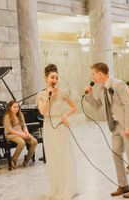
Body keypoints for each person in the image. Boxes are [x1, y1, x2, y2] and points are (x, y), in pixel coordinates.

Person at [84, 62, 129, 198]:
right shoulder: (102, 90)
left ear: (100, 74)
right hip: (115, 126)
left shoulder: (119, 85)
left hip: (128, 123)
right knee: (116, 154)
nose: (92, 76)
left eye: (93, 74)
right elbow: (97, 106)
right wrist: (88, 95)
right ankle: (123, 185)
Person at [37, 63, 78, 200]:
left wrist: (65, 116)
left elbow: (74, 107)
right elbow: (43, 112)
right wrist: (48, 97)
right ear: (46, 78)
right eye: (52, 77)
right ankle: (55, 188)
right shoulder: (41, 94)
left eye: (56, 77)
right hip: (48, 126)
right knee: (53, 158)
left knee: (63, 157)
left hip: (60, 125)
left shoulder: (63, 93)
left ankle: (67, 189)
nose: (54, 80)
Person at [3, 100, 38, 169]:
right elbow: (10, 130)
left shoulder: (20, 114)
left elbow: (24, 125)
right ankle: (13, 160)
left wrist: (27, 133)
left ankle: (27, 159)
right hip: (11, 134)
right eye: (14, 107)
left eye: (17, 107)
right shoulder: (7, 117)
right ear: (10, 107)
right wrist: (21, 134)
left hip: (21, 132)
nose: (16, 108)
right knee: (22, 143)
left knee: (34, 142)